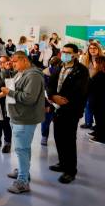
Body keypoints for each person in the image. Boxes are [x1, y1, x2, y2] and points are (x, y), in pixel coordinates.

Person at [1, 51, 45, 194]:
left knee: (21, 149)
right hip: (18, 116)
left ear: (24, 60)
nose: (12, 64)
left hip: (25, 118)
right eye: (11, 62)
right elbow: (9, 83)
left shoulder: (33, 75)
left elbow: (29, 98)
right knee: (23, 148)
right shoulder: (21, 72)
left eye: (14, 62)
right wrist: (6, 70)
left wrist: (10, 93)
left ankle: (23, 182)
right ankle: (23, 171)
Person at [47, 43, 89, 184]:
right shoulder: (59, 66)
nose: (64, 54)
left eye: (68, 52)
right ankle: (62, 163)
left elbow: (79, 92)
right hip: (57, 108)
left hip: (71, 110)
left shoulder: (81, 71)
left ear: (76, 54)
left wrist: (62, 100)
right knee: (58, 137)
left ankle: (70, 170)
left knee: (69, 140)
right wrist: (53, 97)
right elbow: (50, 84)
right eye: (63, 51)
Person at [79, 42, 104, 130]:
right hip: (88, 85)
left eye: (95, 48)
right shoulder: (85, 59)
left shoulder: (102, 59)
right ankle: (88, 122)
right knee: (88, 104)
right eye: (90, 48)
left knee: (98, 106)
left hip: (100, 86)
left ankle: (99, 125)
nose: (92, 50)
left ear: (98, 49)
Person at [40, 56, 62, 146]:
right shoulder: (61, 72)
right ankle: (53, 138)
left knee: (46, 120)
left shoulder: (44, 72)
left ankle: (44, 137)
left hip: (47, 101)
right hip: (57, 100)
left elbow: (42, 89)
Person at [88, 56, 105, 144]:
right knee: (98, 118)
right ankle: (98, 133)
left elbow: (93, 86)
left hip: (100, 100)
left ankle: (101, 137)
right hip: (97, 99)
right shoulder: (98, 73)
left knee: (100, 118)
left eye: (96, 62)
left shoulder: (100, 75)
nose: (94, 64)